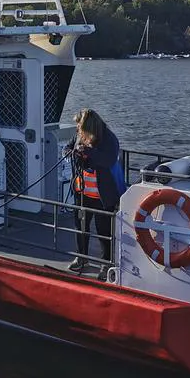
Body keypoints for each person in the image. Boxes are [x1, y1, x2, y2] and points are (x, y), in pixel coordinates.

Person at [65, 108, 124, 276]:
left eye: (79, 125)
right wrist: (73, 153)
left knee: (103, 230)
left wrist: (89, 152)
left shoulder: (109, 139)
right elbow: (67, 149)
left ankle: (106, 263)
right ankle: (82, 257)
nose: (77, 129)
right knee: (80, 226)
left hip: (102, 195)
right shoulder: (79, 135)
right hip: (82, 192)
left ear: (89, 127)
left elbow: (109, 160)